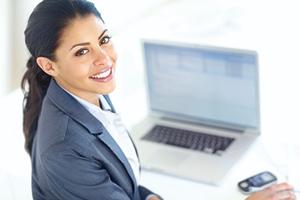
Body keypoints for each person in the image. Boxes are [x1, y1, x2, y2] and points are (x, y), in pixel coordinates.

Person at [20, 0, 296, 199]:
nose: (104, 59)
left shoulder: (86, 92)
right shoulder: (64, 149)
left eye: (104, 40)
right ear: (49, 66)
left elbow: (120, 187)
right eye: (82, 52)